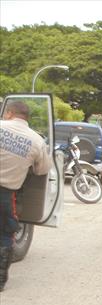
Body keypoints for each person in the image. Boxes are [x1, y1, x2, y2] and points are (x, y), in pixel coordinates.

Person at [0, 101, 52, 291]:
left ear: (9, 113)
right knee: (5, 234)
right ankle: (0, 280)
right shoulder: (36, 140)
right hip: (6, 194)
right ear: (26, 117)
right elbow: (43, 170)